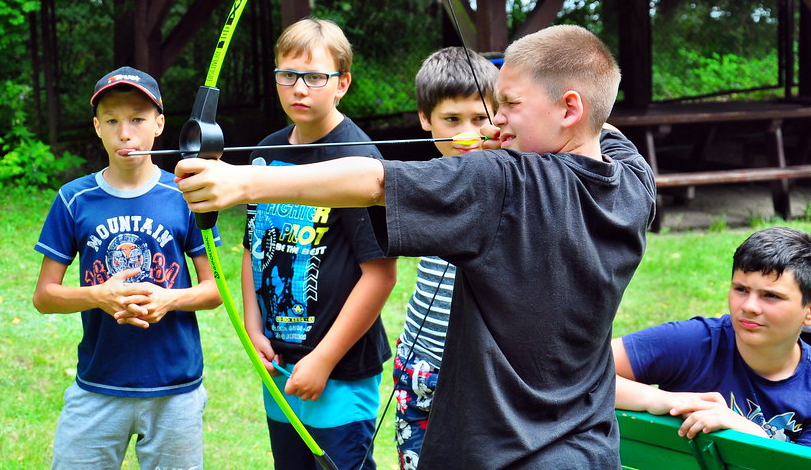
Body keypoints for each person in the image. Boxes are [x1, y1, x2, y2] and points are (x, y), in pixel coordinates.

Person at [175, 24, 657, 469]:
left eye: (509, 104)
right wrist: (521, 127)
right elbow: (604, 129)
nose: (496, 119)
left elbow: (373, 180)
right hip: (588, 449)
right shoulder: (634, 184)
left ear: (569, 109)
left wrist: (243, 182)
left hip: (500, 454)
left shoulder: (505, 181)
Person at [33, 66, 222, 470]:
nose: (125, 133)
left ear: (159, 124)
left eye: (137, 119)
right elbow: (44, 296)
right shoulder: (73, 199)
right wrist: (96, 296)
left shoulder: (186, 194)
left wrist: (169, 300)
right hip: (99, 384)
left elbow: (215, 290)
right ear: (97, 127)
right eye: (112, 121)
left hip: (175, 388)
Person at [242, 17, 397, 470]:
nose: (298, 89)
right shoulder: (266, 154)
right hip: (280, 362)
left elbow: (381, 275)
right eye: (287, 75)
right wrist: (254, 328)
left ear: (342, 83)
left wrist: (323, 360)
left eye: (314, 77)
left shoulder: (358, 160)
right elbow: (254, 248)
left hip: (339, 370)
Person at [392, 46, 498, 470]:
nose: (467, 134)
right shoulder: (428, 179)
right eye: (451, 120)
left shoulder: (511, 176)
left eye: (480, 118)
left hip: (480, 374)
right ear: (425, 119)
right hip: (421, 364)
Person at [613, 226, 811, 446]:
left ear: (808, 312)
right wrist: (659, 399)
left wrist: (749, 432)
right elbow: (586, 368)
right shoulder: (694, 341)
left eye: (771, 296)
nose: (749, 306)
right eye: (741, 289)